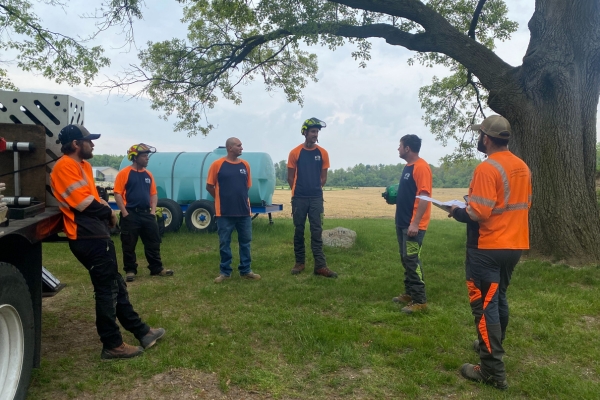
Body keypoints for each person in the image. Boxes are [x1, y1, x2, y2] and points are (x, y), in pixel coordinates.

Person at [50, 124, 165, 360]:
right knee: (106, 290)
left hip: (96, 233)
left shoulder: (82, 165)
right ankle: (112, 344)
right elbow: (84, 203)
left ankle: (142, 331)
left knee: (116, 284)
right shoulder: (64, 166)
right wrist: (110, 213)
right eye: (89, 140)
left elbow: (95, 198)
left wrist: (104, 209)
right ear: (75, 144)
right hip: (86, 236)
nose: (93, 144)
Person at [448, 115, 532, 390]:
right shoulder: (522, 167)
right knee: (498, 299)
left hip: (487, 246)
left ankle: (492, 371)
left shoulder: (487, 168)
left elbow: (479, 212)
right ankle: (490, 346)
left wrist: (456, 211)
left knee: (484, 307)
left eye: (479, 135)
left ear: (486, 138)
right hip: (515, 244)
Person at [114, 143, 173, 282]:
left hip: (147, 214)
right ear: (135, 157)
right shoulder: (125, 173)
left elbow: (153, 194)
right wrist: (124, 212)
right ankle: (130, 270)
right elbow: (117, 193)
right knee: (129, 244)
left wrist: (152, 211)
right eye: (144, 156)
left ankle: (156, 268)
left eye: (147, 156)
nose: (147, 158)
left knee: (153, 242)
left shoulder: (148, 174)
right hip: (130, 214)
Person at [287, 118, 337, 278]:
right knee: (298, 231)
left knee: (317, 231)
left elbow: (323, 178)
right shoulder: (295, 152)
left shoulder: (323, 153)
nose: (315, 135)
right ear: (305, 132)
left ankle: (320, 266)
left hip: (316, 198)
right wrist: (298, 191)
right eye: (313, 131)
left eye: (317, 132)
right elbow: (290, 177)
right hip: (299, 198)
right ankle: (299, 263)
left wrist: (314, 189)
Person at [207, 137, 261, 283]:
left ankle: (246, 270)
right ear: (230, 148)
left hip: (244, 212)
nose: (241, 148)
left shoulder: (245, 165)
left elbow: (246, 186)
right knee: (224, 242)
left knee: (245, 242)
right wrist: (220, 198)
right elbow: (209, 186)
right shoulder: (217, 165)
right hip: (224, 212)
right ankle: (225, 272)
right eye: (239, 145)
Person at [391, 135, 432, 314]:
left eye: (400, 146)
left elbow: (424, 196)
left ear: (407, 148)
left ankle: (420, 300)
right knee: (405, 259)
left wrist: (415, 223)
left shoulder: (421, 167)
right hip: (402, 223)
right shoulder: (408, 167)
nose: (398, 149)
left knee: (412, 260)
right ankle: (409, 293)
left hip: (413, 226)